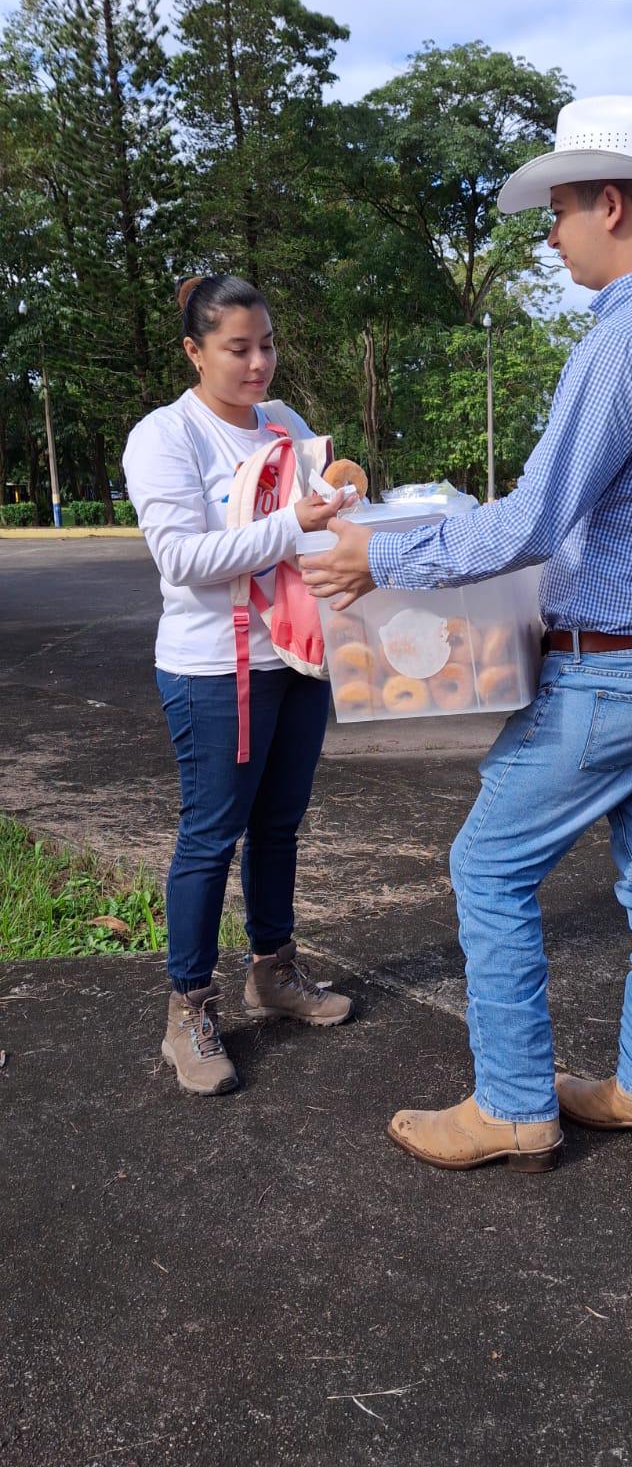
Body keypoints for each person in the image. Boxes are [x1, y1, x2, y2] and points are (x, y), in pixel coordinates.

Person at [301, 96, 632, 1171]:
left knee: (488, 865)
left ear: (611, 204)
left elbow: (535, 523)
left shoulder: (627, 341)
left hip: (616, 670)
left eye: (557, 212)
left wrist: (382, 559)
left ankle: (513, 1103)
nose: (550, 237)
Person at [124, 274, 353, 1097]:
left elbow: (329, 504)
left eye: (267, 345)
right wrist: (294, 523)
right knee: (211, 835)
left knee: (279, 825)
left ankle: (273, 972)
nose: (259, 363)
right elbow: (182, 558)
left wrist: (348, 496)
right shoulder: (166, 436)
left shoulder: (284, 422)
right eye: (238, 349)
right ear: (195, 351)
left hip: (295, 657)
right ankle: (186, 1011)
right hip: (214, 670)